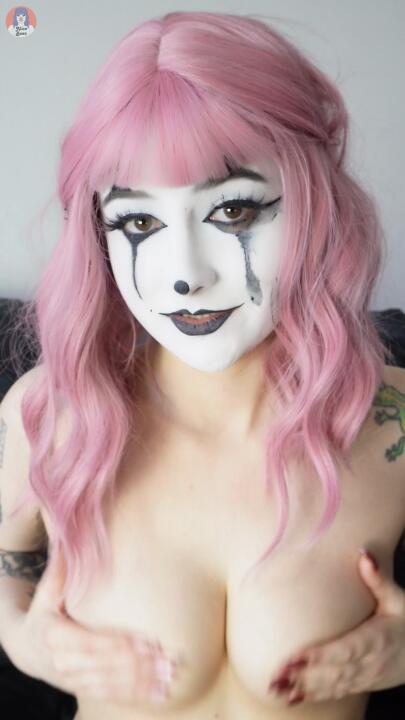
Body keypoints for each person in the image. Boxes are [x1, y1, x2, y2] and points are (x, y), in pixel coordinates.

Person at [0, 10, 405, 720]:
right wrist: (21, 637)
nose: (185, 275)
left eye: (234, 211)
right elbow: (8, 563)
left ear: (315, 203)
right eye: (138, 222)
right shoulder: (51, 418)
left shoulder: (393, 424)